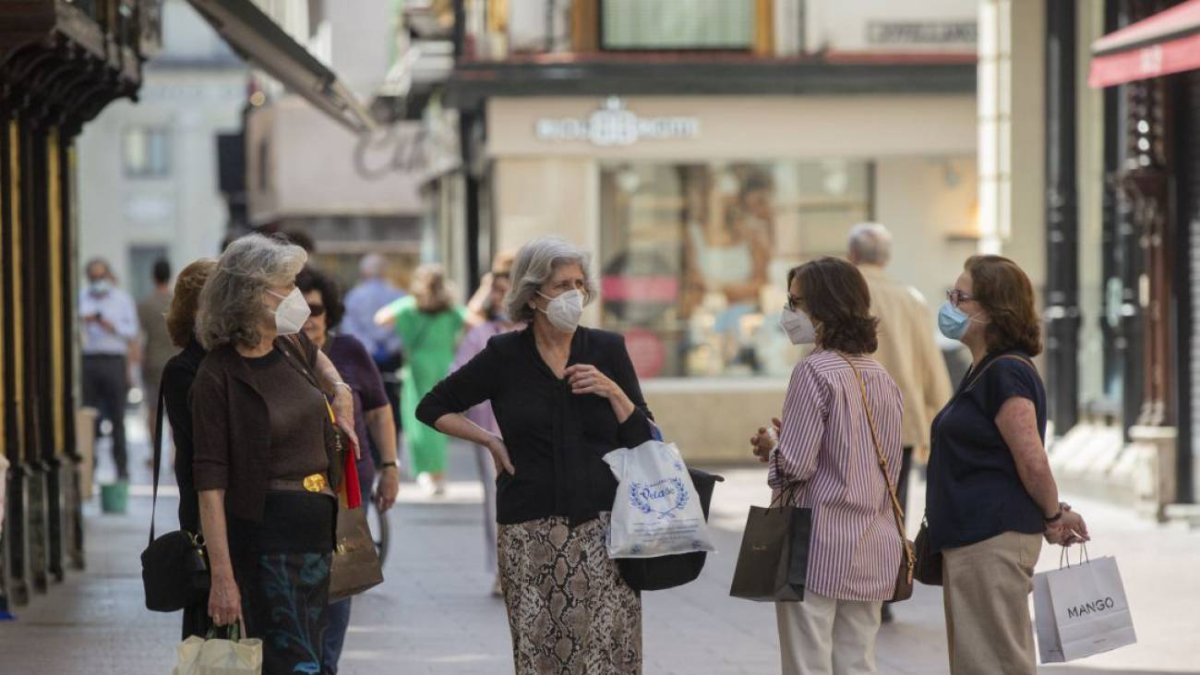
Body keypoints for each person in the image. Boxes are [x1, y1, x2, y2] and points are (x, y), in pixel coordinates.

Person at [417, 237, 655, 674]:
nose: (574, 294)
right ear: (532, 294)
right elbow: (432, 407)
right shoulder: (503, 355)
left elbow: (644, 436)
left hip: (606, 528)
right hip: (529, 530)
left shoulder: (606, 349)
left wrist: (613, 391)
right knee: (541, 654)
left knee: (609, 654)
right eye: (562, 285)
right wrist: (489, 440)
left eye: (579, 284)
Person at [191, 234, 358, 674]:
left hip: (317, 532)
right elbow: (210, 486)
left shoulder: (290, 345)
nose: (296, 295)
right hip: (267, 540)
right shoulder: (218, 375)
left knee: (314, 659)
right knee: (291, 663)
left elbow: (322, 362)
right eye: (286, 285)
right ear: (251, 294)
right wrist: (222, 577)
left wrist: (340, 392)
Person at [927, 255, 1089, 675]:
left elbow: (1031, 458)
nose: (950, 305)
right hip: (973, 538)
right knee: (978, 661)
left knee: (994, 662)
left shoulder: (1005, 373)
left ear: (992, 310)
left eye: (960, 297)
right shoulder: (982, 370)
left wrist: (1053, 516)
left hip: (990, 539)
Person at [750, 257, 903, 675]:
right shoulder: (880, 376)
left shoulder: (813, 370)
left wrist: (774, 448)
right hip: (872, 542)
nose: (788, 312)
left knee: (807, 662)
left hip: (812, 542)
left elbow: (795, 466)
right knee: (857, 663)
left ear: (825, 306)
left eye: (795, 302)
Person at [295, 265, 401, 674]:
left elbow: (378, 411)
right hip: (298, 487)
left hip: (349, 484)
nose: (309, 319)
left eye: (316, 310)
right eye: (299, 310)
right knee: (302, 581)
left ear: (330, 312)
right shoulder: (280, 356)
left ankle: (327, 666)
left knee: (339, 580)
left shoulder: (350, 350)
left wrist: (390, 466)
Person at [846, 223, 952, 623]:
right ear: (885, 258)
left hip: (853, 419)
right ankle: (885, 590)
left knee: (851, 505)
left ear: (852, 255)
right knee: (894, 508)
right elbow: (930, 361)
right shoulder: (910, 298)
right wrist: (937, 413)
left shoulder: (847, 294)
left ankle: (855, 585)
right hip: (902, 422)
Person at [449, 253, 522, 595]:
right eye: (496, 291)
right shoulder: (482, 335)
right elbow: (456, 377)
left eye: (506, 291)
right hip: (490, 433)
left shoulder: (537, 334)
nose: (499, 298)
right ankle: (503, 571)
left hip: (535, 432)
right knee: (496, 502)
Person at [160, 258, 217, 638]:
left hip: (237, 513)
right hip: (203, 513)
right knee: (208, 617)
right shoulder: (184, 369)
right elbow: (206, 444)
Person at [375, 264, 465, 496]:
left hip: (417, 367)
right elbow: (472, 321)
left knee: (419, 419)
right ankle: (439, 473)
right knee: (443, 416)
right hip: (444, 365)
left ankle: (428, 471)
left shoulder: (410, 307)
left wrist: (407, 307)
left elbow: (381, 318)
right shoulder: (450, 309)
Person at [79, 257, 140, 481]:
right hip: (89, 360)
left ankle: (121, 469)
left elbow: (132, 331)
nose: (97, 281)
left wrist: (112, 326)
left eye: (101, 276)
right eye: (93, 277)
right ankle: (89, 468)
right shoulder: (82, 298)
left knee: (117, 417)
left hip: (114, 360)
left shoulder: (122, 300)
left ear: (109, 276)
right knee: (89, 418)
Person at [341, 253, 406, 433]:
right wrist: (388, 347)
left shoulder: (355, 296)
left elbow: (350, 327)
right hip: (392, 358)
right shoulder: (398, 295)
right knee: (392, 404)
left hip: (365, 355)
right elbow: (402, 328)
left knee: (367, 404)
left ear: (364, 272)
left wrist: (370, 347)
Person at [139, 258, 175, 463]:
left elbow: (138, 337)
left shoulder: (145, 304)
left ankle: (155, 454)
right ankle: (174, 454)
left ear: (153, 277)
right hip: (175, 360)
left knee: (153, 410)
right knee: (176, 410)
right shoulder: (177, 302)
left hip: (152, 362)